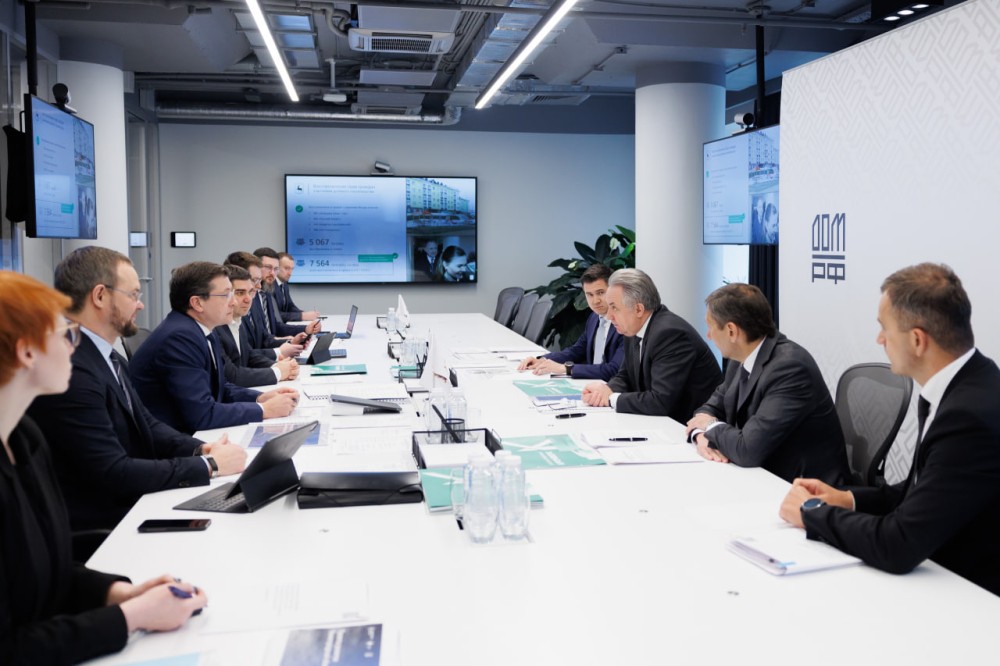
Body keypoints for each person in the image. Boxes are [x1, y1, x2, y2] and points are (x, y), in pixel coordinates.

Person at [0, 270, 207, 664]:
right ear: (26, 353)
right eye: (65, 334)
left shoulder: (24, 437)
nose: (74, 345)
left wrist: (121, 593)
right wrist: (132, 616)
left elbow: (48, 570)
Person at [779, 263, 1000, 595]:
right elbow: (922, 489)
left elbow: (898, 544)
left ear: (917, 340)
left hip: (971, 595)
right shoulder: (970, 381)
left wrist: (812, 513)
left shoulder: (968, 417)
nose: (879, 339)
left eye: (885, 328)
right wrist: (846, 498)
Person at [26, 247, 247, 535]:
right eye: (133, 295)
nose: (140, 305)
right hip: (107, 524)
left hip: (132, 500)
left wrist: (198, 448)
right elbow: (112, 471)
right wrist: (209, 465)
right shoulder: (71, 370)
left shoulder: (107, 356)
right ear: (100, 296)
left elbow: (147, 424)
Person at [684, 283, 849, 484]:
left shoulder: (790, 368)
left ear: (731, 331)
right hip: (763, 474)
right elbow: (709, 409)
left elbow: (747, 450)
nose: (708, 336)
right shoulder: (741, 357)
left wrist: (710, 426)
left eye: (710, 327)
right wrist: (701, 436)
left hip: (803, 488)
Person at [129, 262, 300, 433]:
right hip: (176, 440)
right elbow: (202, 415)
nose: (233, 302)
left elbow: (219, 387)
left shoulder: (202, 330)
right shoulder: (180, 338)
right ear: (197, 303)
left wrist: (260, 398)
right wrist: (264, 410)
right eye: (226, 295)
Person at [582, 268, 721, 419]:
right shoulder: (632, 327)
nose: (609, 316)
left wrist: (611, 399)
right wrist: (606, 390)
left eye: (614, 307)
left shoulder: (670, 334)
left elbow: (661, 401)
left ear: (638, 309)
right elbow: (625, 375)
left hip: (689, 425)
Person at [518, 263, 625, 381]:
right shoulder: (594, 318)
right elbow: (576, 350)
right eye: (589, 295)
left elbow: (613, 370)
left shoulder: (626, 324)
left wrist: (566, 369)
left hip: (611, 387)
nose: (595, 301)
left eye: (600, 292)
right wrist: (542, 360)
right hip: (591, 383)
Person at [215, 264, 298, 388]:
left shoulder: (238, 319)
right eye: (240, 293)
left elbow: (249, 356)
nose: (248, 299)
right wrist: (278, 372)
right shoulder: (215, 327)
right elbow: (231, 376)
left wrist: (278, 366)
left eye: (250, 292)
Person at [224, 252, 305, 361]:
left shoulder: (256, 300)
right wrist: (278, 359)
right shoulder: (223, 321)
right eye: (254, 280)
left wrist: (289, 342)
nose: (259, 285)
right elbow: (243, 361)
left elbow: (263, 338)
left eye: (259, 280)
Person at [253, 247, 320, 335]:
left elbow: (279, 321)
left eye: (275, 269)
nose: (272, 273)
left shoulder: (270, 291)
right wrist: (302, 316)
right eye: (268, 267)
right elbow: (277, 317)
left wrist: (306, 326)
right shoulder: (262, 291)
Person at [275, 252, 320, 322]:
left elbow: (290, 307)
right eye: (286, 268)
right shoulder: (269, 286)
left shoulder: (284, 284)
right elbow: (275, 315)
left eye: (292, 269)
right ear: (276, 268)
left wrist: (305, 314)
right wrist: (302, 316)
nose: (290, 273)